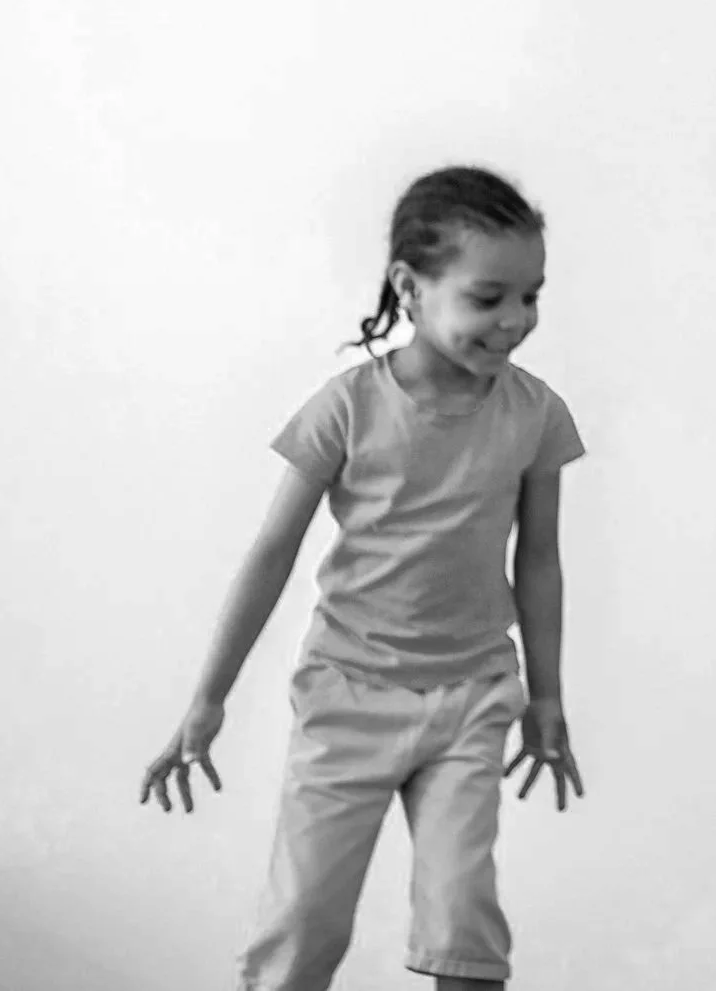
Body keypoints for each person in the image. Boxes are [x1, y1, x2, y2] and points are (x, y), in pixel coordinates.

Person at [137, 167, 587, 991]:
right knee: (303, 926)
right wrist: (209, 698)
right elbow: (271, 553)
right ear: (410, 288)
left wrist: (548, 698)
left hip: (471, 695)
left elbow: (540, 558)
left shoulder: (536, 412)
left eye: (532, 296)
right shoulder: (347, 408)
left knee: (464, 924)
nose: (516, 320)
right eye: (489, 297)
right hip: (348, 693)